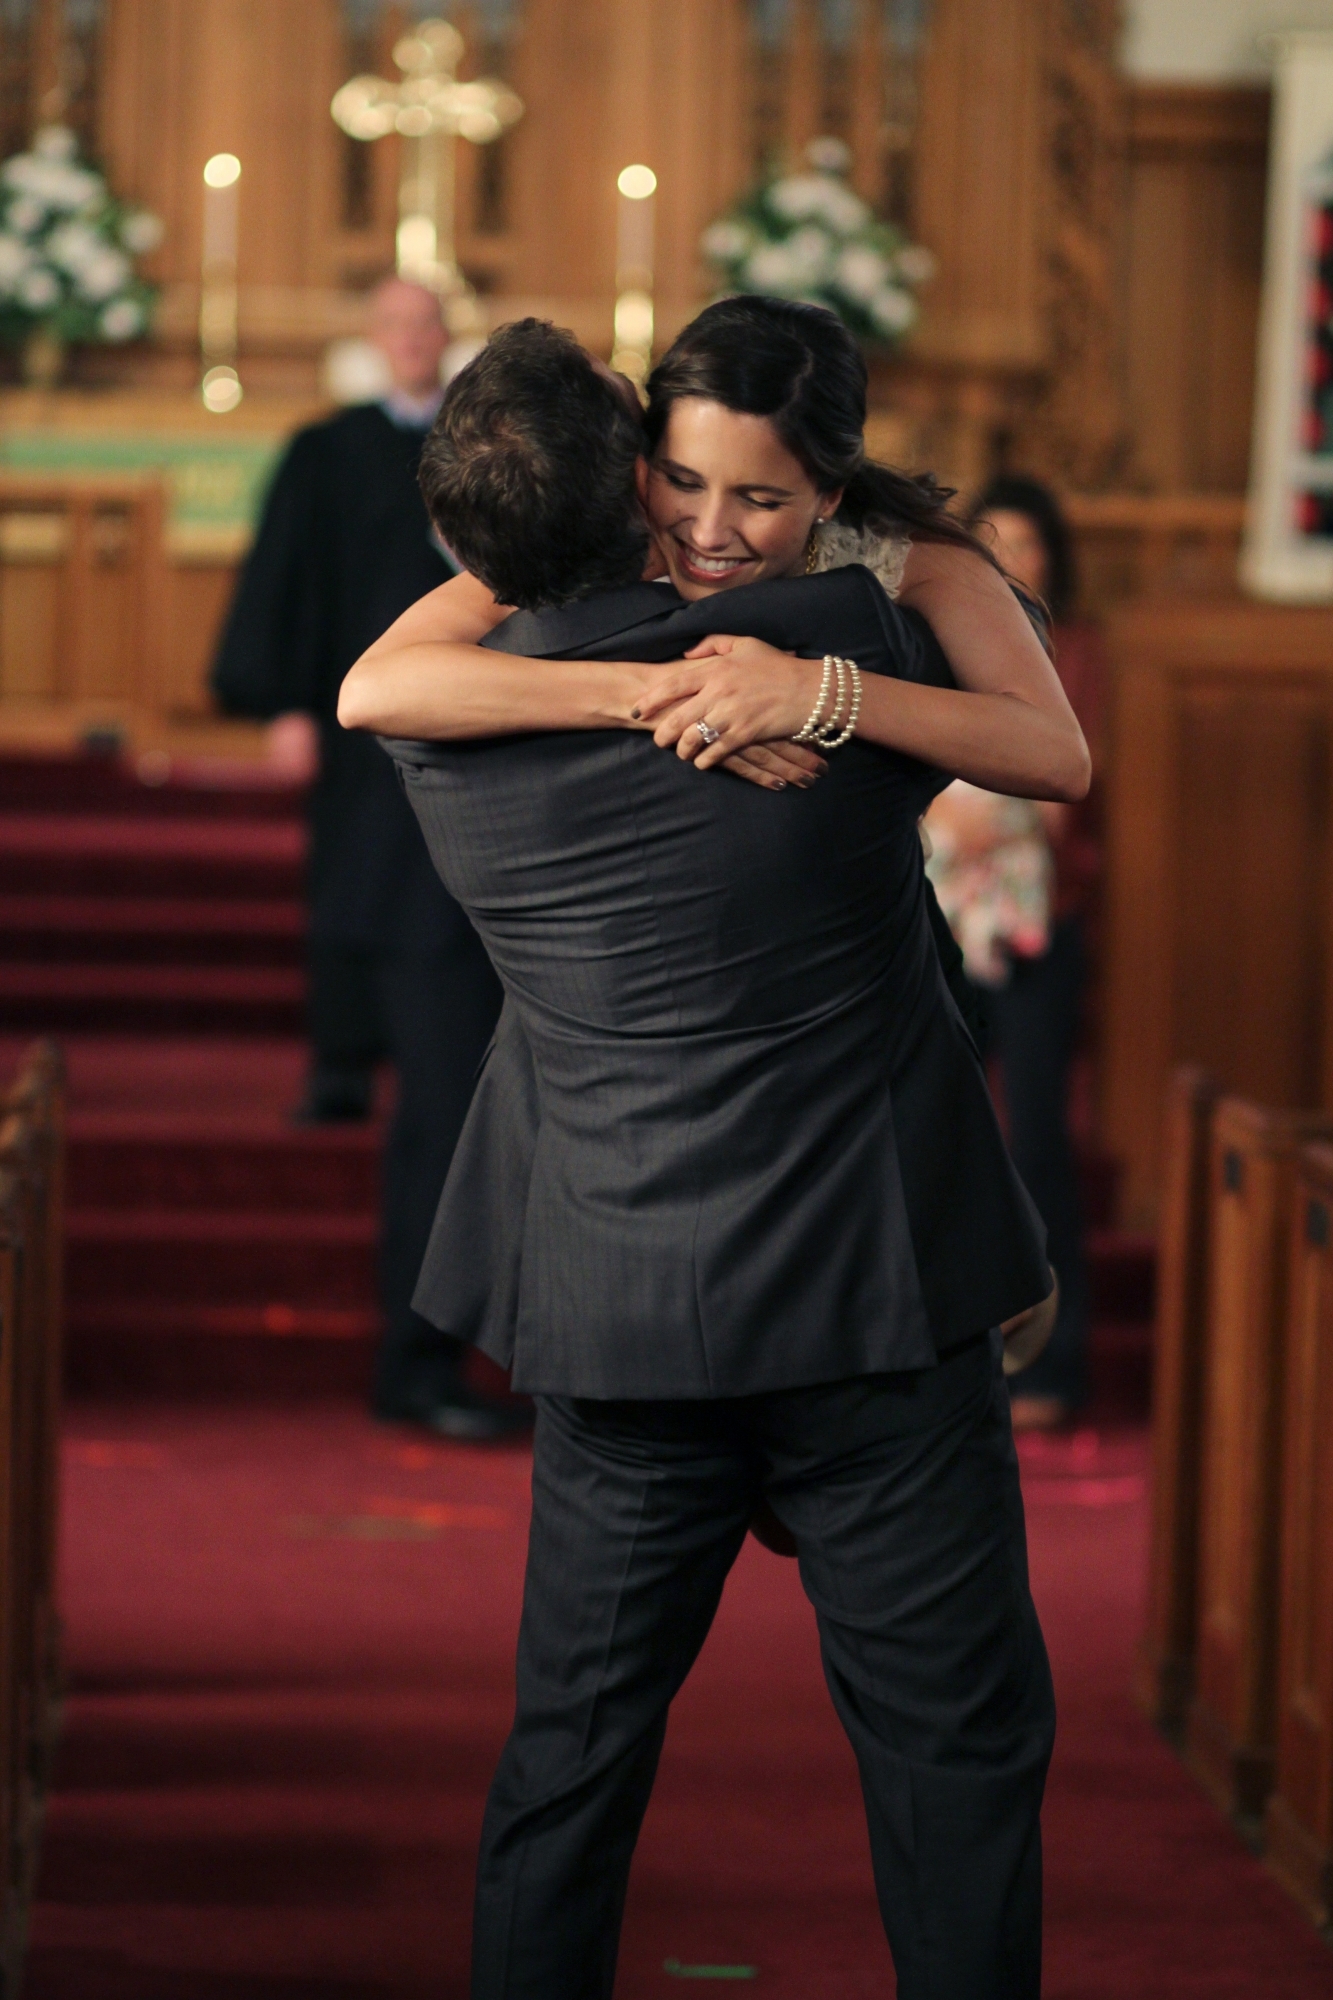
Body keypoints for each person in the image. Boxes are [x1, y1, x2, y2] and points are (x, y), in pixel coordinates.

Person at [342, 305, 1088, 1997]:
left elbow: (378, 669)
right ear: (625, 472)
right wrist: (775, 682)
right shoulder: (843, 640)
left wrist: (627, 671)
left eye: (748, 496)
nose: (703, 528)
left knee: (567, 1768)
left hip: (622, 1314)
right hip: (871, 1311)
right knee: (953, 1765)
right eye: (673, 481)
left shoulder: (445, 730)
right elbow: (1037, 738)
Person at [210, 276, 516, 1441]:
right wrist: (285, 697)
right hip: (405, 815)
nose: (414, 341)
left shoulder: (496, 472)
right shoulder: (334, 452)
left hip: (502, 845)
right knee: (437, 1106)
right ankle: (420, 1358)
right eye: (396, 324)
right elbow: (295, 594)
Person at [952, 473, 1105, 1429]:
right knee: (938, 1137)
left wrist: (1006, 819)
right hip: (938, 913)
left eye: (1029, 544)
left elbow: (1077, 779)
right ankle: (949, 1367)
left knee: (1038, 1142)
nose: (1012, 562)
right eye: (993, 543)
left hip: (1038, 915)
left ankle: (1053, 1365)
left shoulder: (1079, 651)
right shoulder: (938, 634)